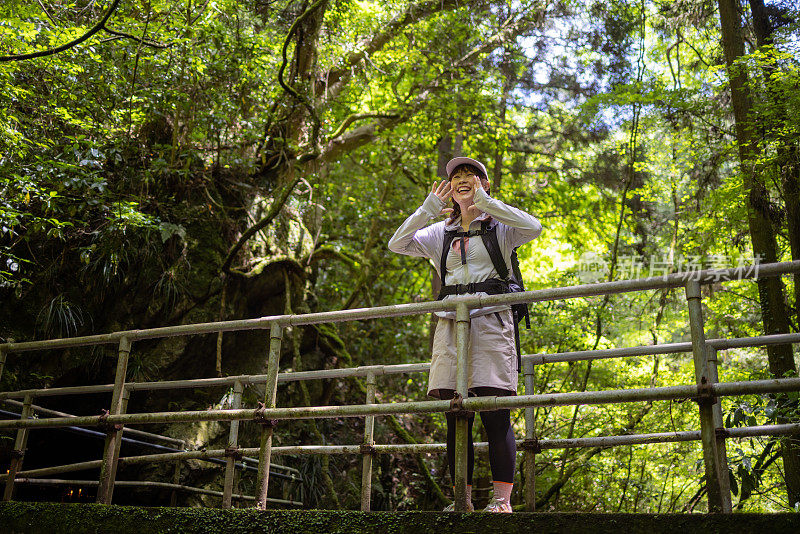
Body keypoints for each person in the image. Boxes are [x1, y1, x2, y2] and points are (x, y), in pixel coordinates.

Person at [388, 156, 542, 512]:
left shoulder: (500, 227)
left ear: (484, 184)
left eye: (471, 175)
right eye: (457, 176)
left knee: (494, 408)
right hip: (449, 325)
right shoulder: (439, 232)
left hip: (491, 321)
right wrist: (427, 210)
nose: (463, 179)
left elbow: (533, 227)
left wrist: (486, 204)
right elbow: (398, 243)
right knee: (456, 414)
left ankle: (501, 501)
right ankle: (463, 500)